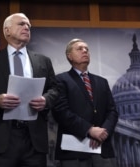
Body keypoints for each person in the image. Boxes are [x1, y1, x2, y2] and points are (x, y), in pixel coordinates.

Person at [0, 13, 59, 167]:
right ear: (7, 31)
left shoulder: (43, 61)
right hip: (1, 138)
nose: (27, 28)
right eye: (21, 24)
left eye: (29, 26)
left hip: (34, 140)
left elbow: (55, 89)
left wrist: (46, 100)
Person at [52, 38, 119, 167]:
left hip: (102, 148)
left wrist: (103, 132)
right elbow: (61, 112)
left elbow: (112, 111)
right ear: (69, 56)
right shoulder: (60, 80)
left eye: (87, 49)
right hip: (74, 151)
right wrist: (89, 130)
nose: (85, 51)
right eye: (79, 49)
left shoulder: (102, 82)